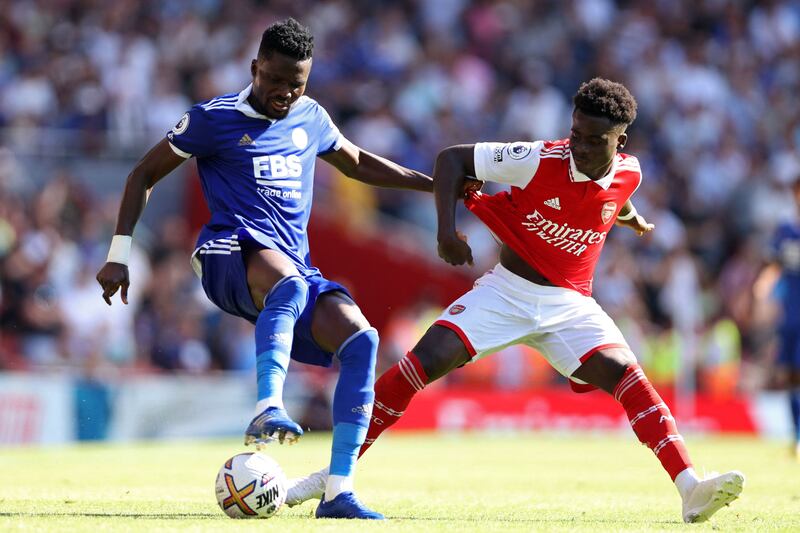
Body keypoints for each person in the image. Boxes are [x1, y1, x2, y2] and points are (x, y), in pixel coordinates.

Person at [286, 78, 745, 523]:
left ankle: (691, 488)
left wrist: (633, 219)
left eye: (594, 141)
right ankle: (333, 477)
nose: (580, 148)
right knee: (421, 363)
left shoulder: (631, 172)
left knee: (628, 375)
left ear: (620, 140)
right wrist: (446, 230)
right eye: (575, 134)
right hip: (506, 293)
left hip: (570, 304)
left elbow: (617, 198)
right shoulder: (535, 159)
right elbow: (450, 161)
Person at [95, 18, 435, 520]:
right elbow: (142, 173)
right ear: (255, 68)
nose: (285, 93)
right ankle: (266, 407)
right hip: (227, 253)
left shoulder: (312, 118)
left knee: (362, 339)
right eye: (275, 80)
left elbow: (357, 163)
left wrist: (434, 185)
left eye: (296, 83)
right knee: (291, 283)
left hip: (290, 269)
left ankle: (339, 492)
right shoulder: (212, 119)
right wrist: (118, 254)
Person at [755, 178, 800, 458]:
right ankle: (796, 435)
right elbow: (773, 266)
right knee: (788, 375)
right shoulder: (785, 231)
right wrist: (762, 288)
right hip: (790, 314)